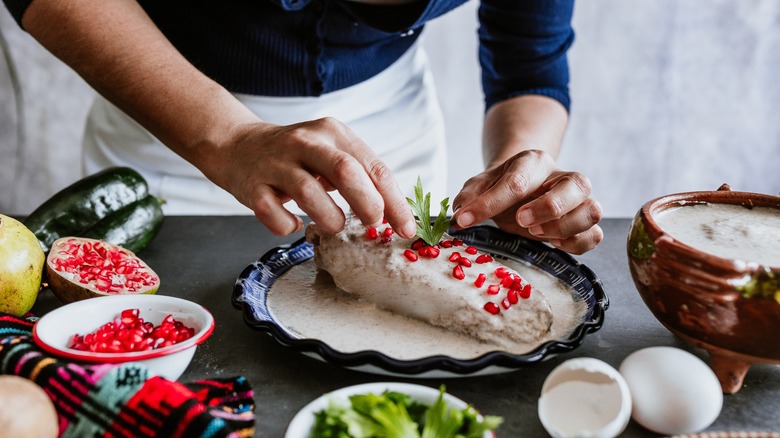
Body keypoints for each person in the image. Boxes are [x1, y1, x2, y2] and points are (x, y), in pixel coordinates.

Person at [3, 0, 602, 254]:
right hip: (172, 128)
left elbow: (531, 57)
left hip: (396, 140)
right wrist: (229, 136)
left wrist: (521, 176)